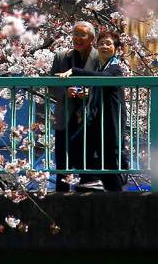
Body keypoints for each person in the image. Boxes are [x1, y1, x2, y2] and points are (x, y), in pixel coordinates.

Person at [56, 31, 128, 191]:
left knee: (108, 160)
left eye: (108, 43)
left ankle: (111, 192)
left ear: (116, 48)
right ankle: (93, 178)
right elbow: (101, 83)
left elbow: (106, 79)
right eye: (101, 43)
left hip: (110, 121)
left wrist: (76, 71)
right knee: (76, 144)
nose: (104, 46)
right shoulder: (102, 67)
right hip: (96, 120)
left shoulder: (116, 68)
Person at [49, 21, 98, 192]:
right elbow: (52, 86)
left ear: (91, 38)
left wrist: (86, 94)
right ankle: (62, 192)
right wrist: (66, 92)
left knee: (88, 155)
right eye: (75, 34)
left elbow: (103, 84)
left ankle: (87, 189)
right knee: (62, 157)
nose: (77, 38)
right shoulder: (62, 56)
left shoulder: (99, 57)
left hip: (89, 116)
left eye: (82, 35)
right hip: (66, 115)